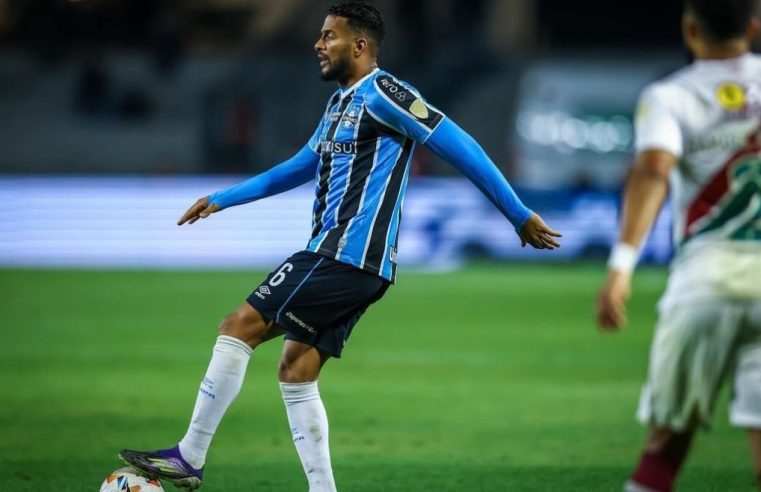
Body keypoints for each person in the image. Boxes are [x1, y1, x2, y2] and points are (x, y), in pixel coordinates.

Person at [120, 1, 561, 490]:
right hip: (355, 263)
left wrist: (517, 213)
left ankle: (189, 455)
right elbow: (296, 168)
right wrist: (223, 198)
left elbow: (460, 145)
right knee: (296, 369)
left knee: (239, 325)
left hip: (345, 252)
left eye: (328, 36)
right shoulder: (337, 105)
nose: (317, 44)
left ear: (359, 45)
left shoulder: (388, 93)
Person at [596, 1, 761, 491]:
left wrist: (621, 265)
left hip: (706, 281)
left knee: (665, 448)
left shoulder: (671, 96)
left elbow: (653, 172)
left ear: (690, 29)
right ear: (754, 27)